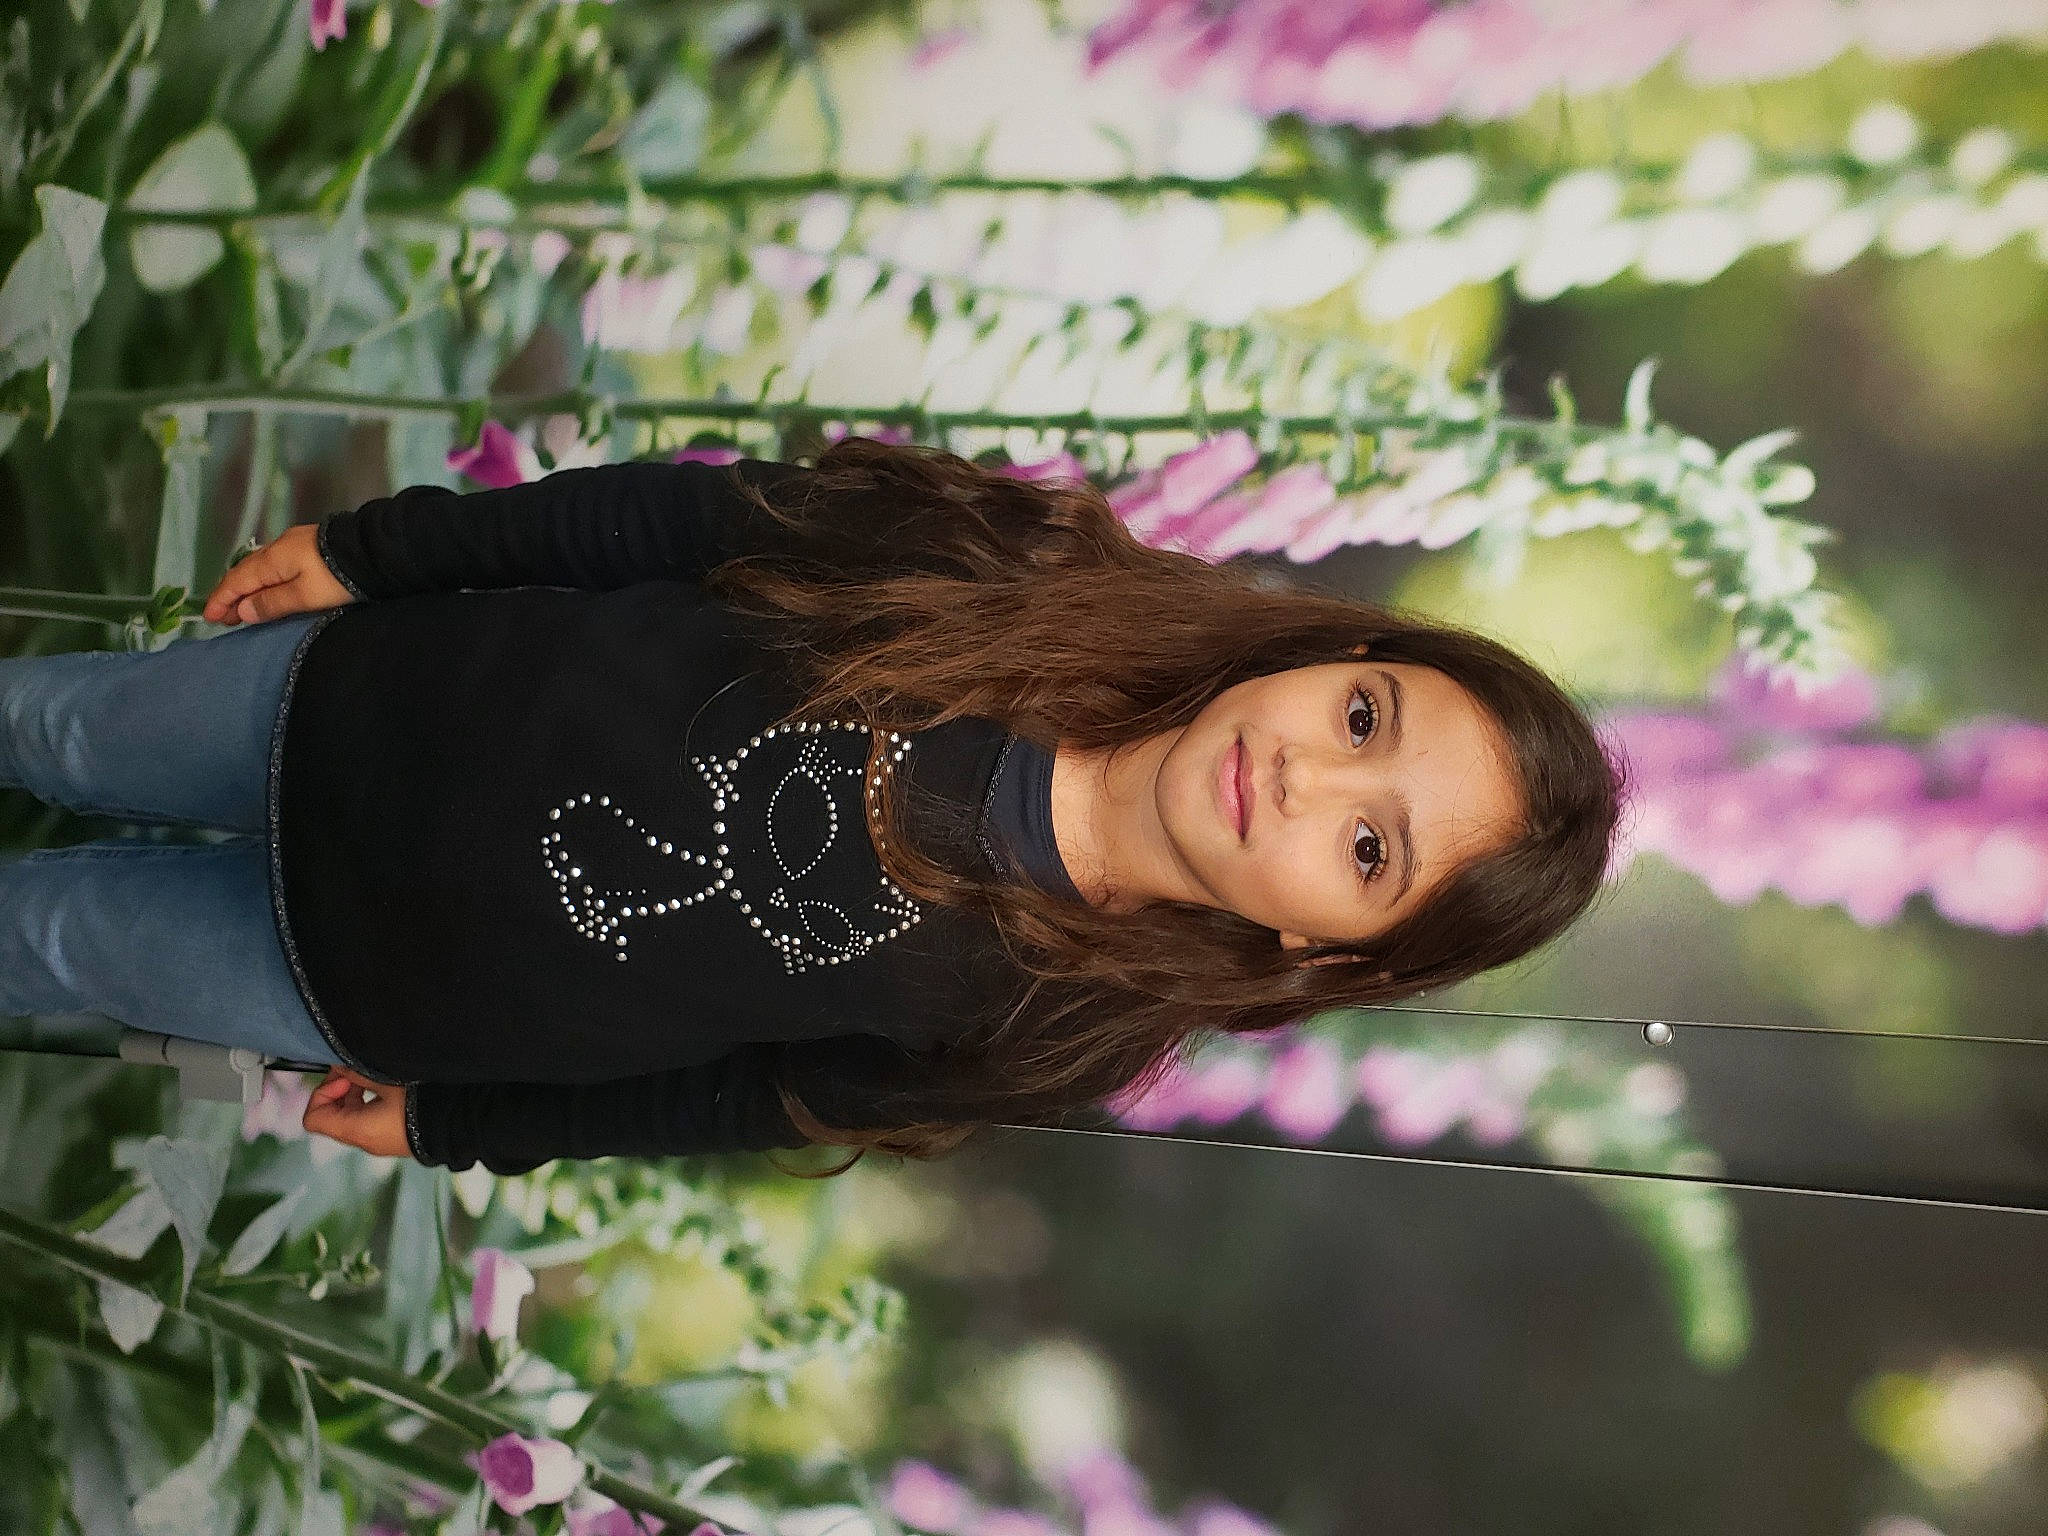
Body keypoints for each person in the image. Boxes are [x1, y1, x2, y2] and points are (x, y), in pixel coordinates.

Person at [0, 439, 1621, 1176]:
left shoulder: (1054, 1032)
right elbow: (663, 526)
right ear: (1341, 652)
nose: (1309, 778)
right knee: (48, 725)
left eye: (1368, 848)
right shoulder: (1019, 566)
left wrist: (464, 1124)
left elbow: (740, 1099)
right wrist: (381, 552)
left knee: (53, 937)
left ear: (1331, 950)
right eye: (1363, 719)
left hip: (352, 980)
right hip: (337, 704)